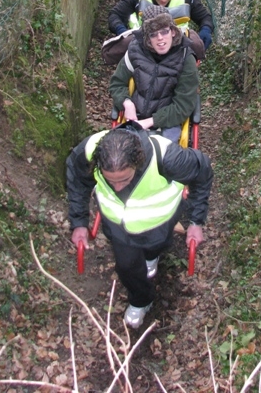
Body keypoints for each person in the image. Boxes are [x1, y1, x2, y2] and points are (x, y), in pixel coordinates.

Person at [67, 123, 213, 328]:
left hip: (160, 222)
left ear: (138, 161)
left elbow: (203, 171)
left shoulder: (169, 158)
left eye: (124, 179)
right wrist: (79, 222)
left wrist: (196, 221)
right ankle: (141, 300)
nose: (117, 187)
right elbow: (77, 180)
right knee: (126, 266)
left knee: (157, 246)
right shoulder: (89, 151)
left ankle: (152, 256)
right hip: (118, 226)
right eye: (111, 181)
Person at [110, 6, 199, 143]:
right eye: (153, 34)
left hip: (169, 122)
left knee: (162, 157)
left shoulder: (186, 58)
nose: (160, 38)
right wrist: (127, 103)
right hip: (136, 117)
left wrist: (149, 122)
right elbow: (117, 83)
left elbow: (183, 106)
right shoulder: (135, 50)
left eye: (164, 32)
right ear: (147, 38)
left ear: (173, 31)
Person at [108, 0, 213, 59]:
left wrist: (206, 30)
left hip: (177, 48)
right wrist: (122, 31)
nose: (163, 0)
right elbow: (115, 15)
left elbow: (205, 17)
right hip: (143, 46)